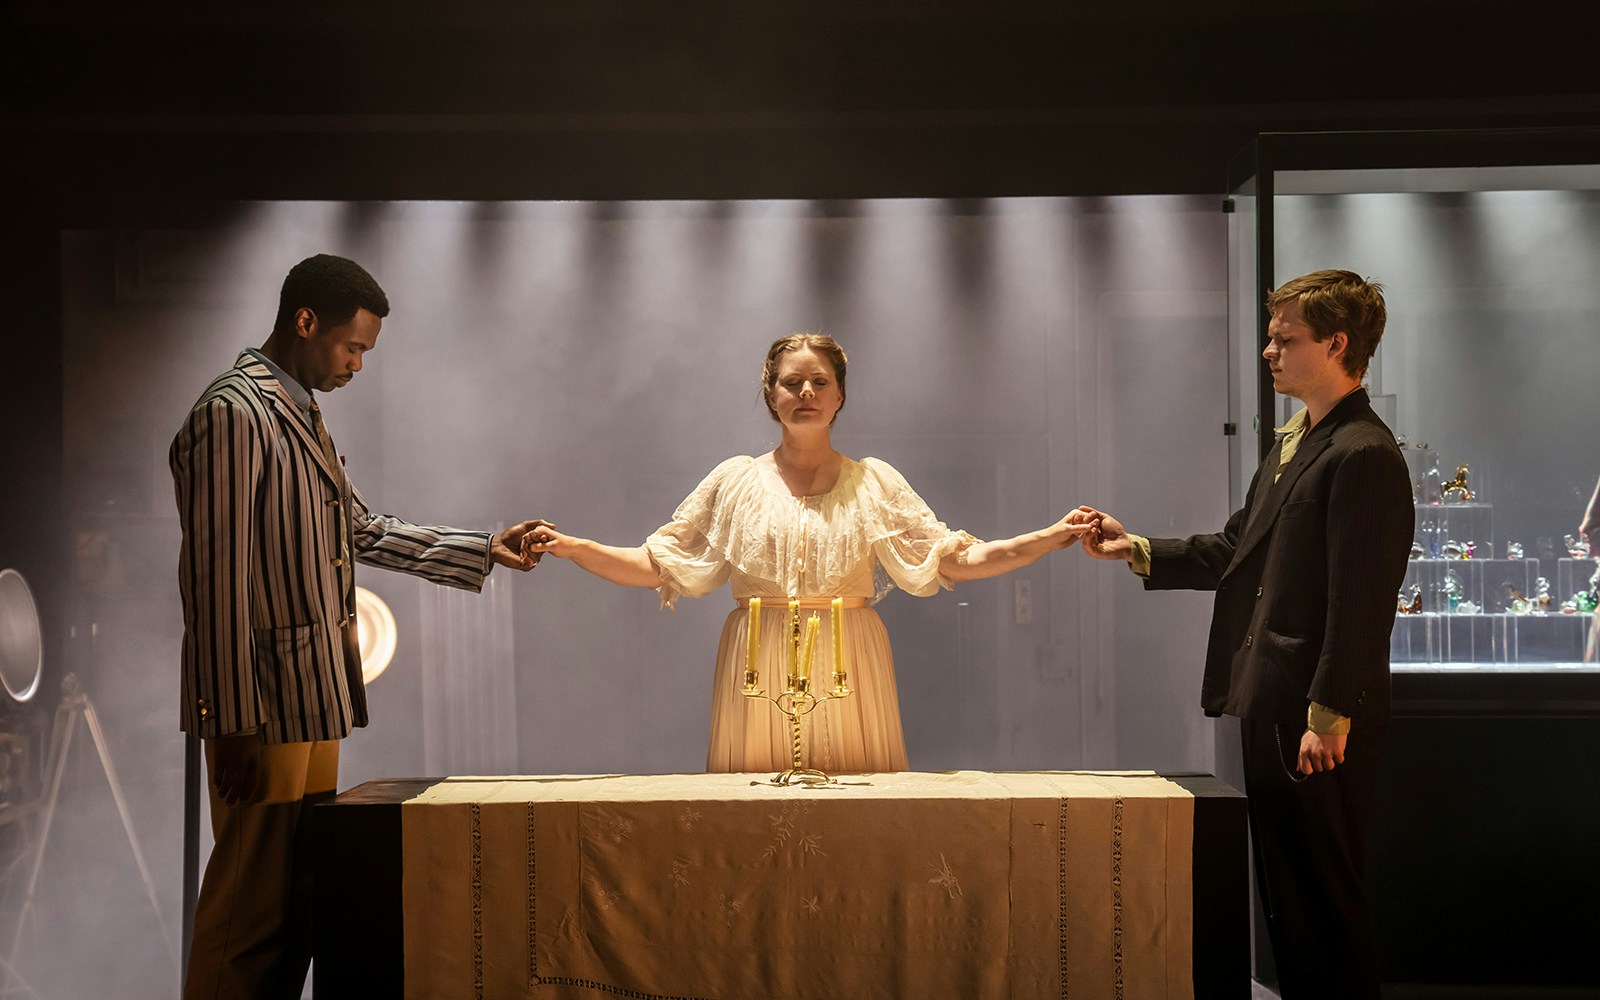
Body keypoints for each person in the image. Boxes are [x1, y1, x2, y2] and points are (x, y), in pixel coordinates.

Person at [171, 253, 549, 1000]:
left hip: (312, 698)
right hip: (262, 707)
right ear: (306, 322)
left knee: (296, 904)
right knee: (248, 908)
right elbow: (215, 583)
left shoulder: (298, 411)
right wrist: (233, 721)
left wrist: (484, 549)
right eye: (354, 347)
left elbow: (361, 529)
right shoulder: (232, 413)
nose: (357, 365)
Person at [1069, 270, 1412, 999]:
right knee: (1291, 897)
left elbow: (1361, 606)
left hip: (1315, 719)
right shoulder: (1301, 442)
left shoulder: (1364, 454)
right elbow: (1235, 550)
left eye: (1285, 339)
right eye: (1271, 337)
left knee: (1324, 898)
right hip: (1275, 702)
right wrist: (1135, 548)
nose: (1268, 351)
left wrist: (1329, 713)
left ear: (1338, 344)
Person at [525, 333, 1089, 773]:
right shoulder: (735, 481)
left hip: (850, 657)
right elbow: (656, 564)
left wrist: (1045, 537)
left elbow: (952, 561)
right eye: (792, 383)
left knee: (854, 813)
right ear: (771, 396)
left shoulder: (874, 483)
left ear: (840, 395)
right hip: (759, 654)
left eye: (819, 382)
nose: (806, 394)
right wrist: (575, 548)